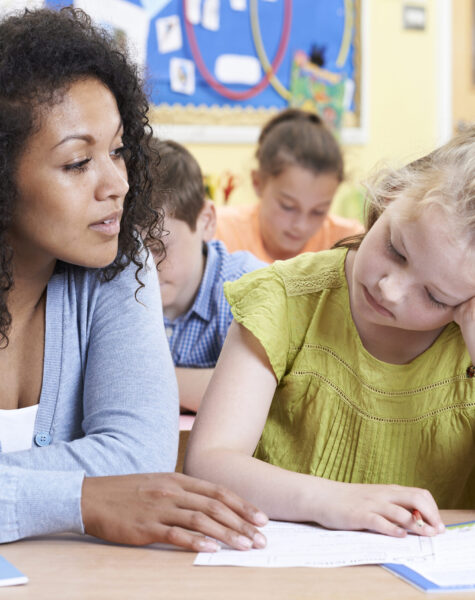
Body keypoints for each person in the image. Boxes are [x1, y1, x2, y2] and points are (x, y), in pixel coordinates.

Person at [0, 7, 268, 552]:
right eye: (77, 163)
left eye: (119, 150)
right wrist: (82, 499)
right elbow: (113, 487)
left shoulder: (121, 263)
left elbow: (139, 456)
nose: (117, 183)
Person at [185, 129, 475, 538]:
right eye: (396, 248)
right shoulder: (285, 299)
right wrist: (335, 501)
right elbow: (209, 463)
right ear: (388, 196)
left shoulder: (464, 344)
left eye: (434, 295)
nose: (389, 290)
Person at [148, 139, 266, 412]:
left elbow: (253, 393)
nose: (142, 267)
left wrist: (140, 381)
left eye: (157, 248)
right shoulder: (110, 287)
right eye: (128, 251)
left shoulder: (248, 287)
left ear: (206, 222)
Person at [214, 108, 363, 263]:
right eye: (288, 206)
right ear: (257, 182)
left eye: (318, 212)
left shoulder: (348, 245)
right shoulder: (218, 235)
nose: (301, 226)